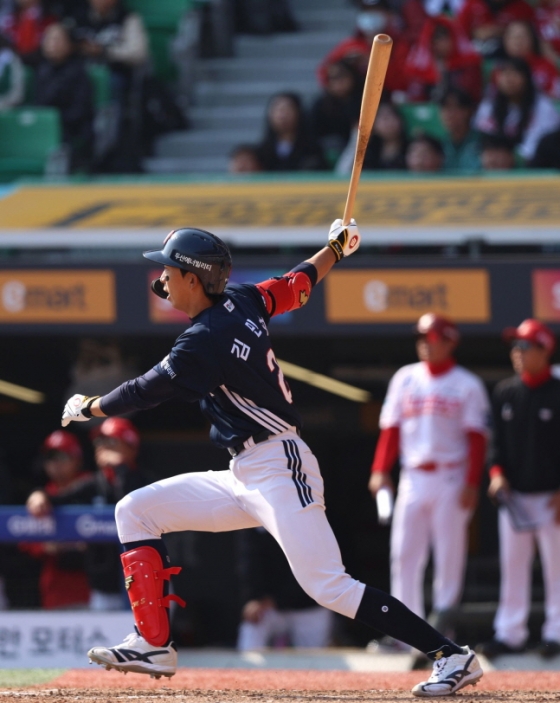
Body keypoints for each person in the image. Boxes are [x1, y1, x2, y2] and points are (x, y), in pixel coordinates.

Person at [60, 223, 484, 695]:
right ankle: (153, 642)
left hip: (280, 464)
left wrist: (90, 406)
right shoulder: (239, 300)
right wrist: (335, 250)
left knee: (329, 587)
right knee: (134, 510)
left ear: (193, 279)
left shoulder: (203, 338)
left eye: (169, 270)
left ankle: (453, 656)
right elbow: (295, 285)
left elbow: (144, 391)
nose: (162, 278)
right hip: (245, 472)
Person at [368, 314, 489, 655]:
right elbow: (390, 429)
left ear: (450, 341)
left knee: (449, 557)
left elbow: (477, 439)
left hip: (451, 476)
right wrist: (380, 469)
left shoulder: (467, 384)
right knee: (404, 555)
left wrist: (471, 482)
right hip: (412, 475)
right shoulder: (405, 378)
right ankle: (404, 634)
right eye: (421, 336)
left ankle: (442, 632)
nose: (424, 342)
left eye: (431, 336)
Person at [477, 320, 560, 660]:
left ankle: (556, 633)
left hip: (553, 497)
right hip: (516, 498)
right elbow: (495, 445)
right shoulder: (505, 392)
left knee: (557, 568)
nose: (517, 353)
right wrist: (496, 474)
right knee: (513, 566)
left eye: (525, 346)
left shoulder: (557, 391)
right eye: (515, 347)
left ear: (544, 350)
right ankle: (510, 633)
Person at [27, 416, 146, 610]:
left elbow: (129, 504)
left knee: (153, 638)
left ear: (131, 446)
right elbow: (58, 497)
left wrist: (121, 470)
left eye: (110, 441)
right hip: (103, 588)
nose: (102, 447)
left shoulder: (145, 482)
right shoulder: (94, 483)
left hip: (146, 582)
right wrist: (39, 495)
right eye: (100, 441)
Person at [23, 430, 91, 609]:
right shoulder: (42, 497)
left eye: (63, 457)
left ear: (77, 459)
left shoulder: (92, 487)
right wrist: (45, 546)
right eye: (51, 458)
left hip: (93, 586)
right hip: (56, 586)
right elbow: (22, 535)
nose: (56, 464)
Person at [236, 526, 332, 650]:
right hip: (269, 607)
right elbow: (248, 567)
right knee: (251, 627)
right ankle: (246, 668)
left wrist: (275, 600)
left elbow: (312, 573)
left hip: (309, 605)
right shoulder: (252, 524)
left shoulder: (308, 522)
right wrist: (254, 599)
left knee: (314, 660)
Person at [474, 56, 560, 162]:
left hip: (532, 166)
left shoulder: (544, 107)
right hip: (495, 167)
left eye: (515, 73)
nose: (509, 79)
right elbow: (484, 139)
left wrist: (514, 158)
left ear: (527, 78)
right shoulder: (488, 106)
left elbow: (541, 145)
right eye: (504, 73)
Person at [35, 22, 94, 172]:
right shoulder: (41, 71)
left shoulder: (79, 72)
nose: (53, 44)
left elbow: (80, 110)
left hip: (70, 129)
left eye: (58, 39)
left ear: (70, 45)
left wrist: (54, 121)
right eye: (49, 39)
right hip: (44, 127)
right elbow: (37, 106)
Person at [403, 15, 482, 103]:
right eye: (435, 38)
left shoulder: (468, 64)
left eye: (444, 37)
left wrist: (444, 75)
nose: (439, 43)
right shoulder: (421, 69)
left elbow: (467, 97)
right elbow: (416, 99)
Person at [310, 60, 363, 169]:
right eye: (334, 78)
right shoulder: (320, 105)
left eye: (343, 76)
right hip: (327, 150)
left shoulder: (364, 101)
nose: (339, 82)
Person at [256, 92, 327, 172]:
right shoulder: (262, 152)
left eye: (287, 109)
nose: (282, 115)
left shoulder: (312, 150)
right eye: (278, 110)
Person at [501, 20, 560, 98]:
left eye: (522, 37)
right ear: (505, 41)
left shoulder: (545, 65)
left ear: (531, 39)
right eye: (512, 37)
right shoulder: (499, 68)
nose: (517, 41)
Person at [456, 0, 536, 57]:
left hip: (513, 61)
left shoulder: (523, 8)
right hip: (477, 60)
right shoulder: (471, 4)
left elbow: (534, 41)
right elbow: (458, 36)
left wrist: (499, 31)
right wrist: (473, 34)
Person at [438, 87, 481, 172]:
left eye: (453, 108)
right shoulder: (439, 144)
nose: (448, 114)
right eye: (444, 108)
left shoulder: (484, 141)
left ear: (468, 111)